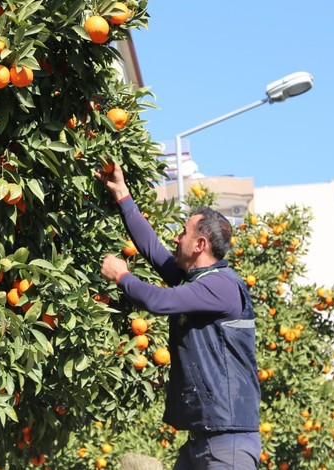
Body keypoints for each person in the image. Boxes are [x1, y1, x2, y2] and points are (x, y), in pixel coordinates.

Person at [98, 162, 261, 469]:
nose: (176, 238)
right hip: (202, 440)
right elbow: (153, 249)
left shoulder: (222, 286)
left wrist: (122, 277)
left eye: (183, 233)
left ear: (200, 244)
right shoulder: (198, 281)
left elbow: (160, 300)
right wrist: (122, 194)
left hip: (229, 441)